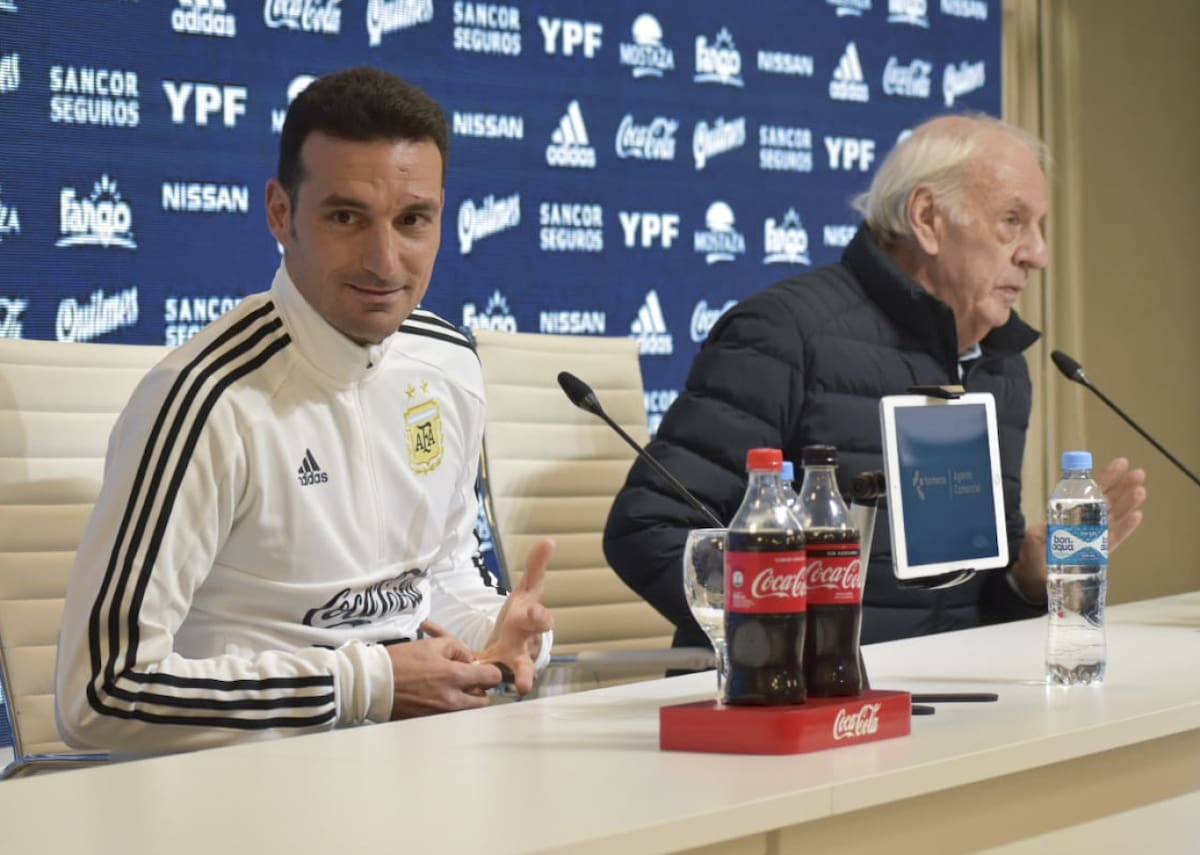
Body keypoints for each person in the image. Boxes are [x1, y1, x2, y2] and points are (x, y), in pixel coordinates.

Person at [55, 67, 554, 755]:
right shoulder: (206, 398)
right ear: (281, 213)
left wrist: (497, 632)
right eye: (346, 217)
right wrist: (364, 685)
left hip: (415, 765)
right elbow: (101, 691)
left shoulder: (449, 364)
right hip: (242, 789)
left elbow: (435, 575)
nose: (385, 260)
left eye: (413, 220)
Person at [604, 114, 1147, 649]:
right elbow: (649, 530)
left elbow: (964, 605)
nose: (1038, 254)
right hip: (803, 705)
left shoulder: (1001, 367)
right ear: (927, 218)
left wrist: (1025, 580)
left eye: (1039, 227)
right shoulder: (786, 334)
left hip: (958, 702)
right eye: (1012, 220)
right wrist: (786, 640)